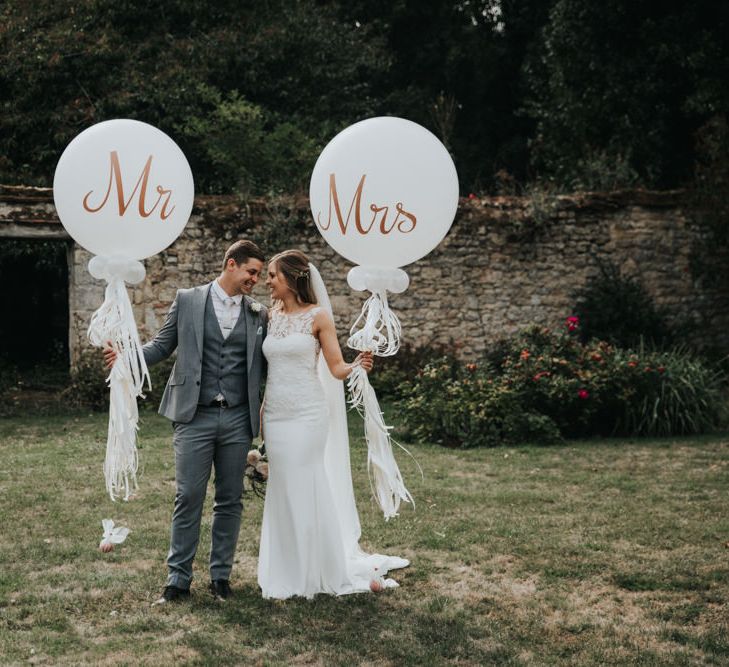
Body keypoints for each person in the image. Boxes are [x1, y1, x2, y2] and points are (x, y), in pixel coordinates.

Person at [104, 240, 267, 604]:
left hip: (238, 418)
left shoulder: (259, 314)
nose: (255, 280)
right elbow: (162, 346)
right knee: (188, 495)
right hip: (194, 415)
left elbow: (270, 361)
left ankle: (220, 577)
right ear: (230, 264)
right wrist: (126, 359)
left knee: (230, 499)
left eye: (258, 274)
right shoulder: (189, 299)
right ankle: (178, 580)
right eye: (251, 272)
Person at [258, 249, 409, 599]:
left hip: (308, 415)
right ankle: (285, 572)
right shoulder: (269, 317)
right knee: (281, 491)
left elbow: (336, 368)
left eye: (272, 275)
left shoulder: (318, 317)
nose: (267, 281)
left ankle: (317, 572)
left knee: (307, 485)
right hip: (276, 417)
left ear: (292, 279)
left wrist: (358, 366)